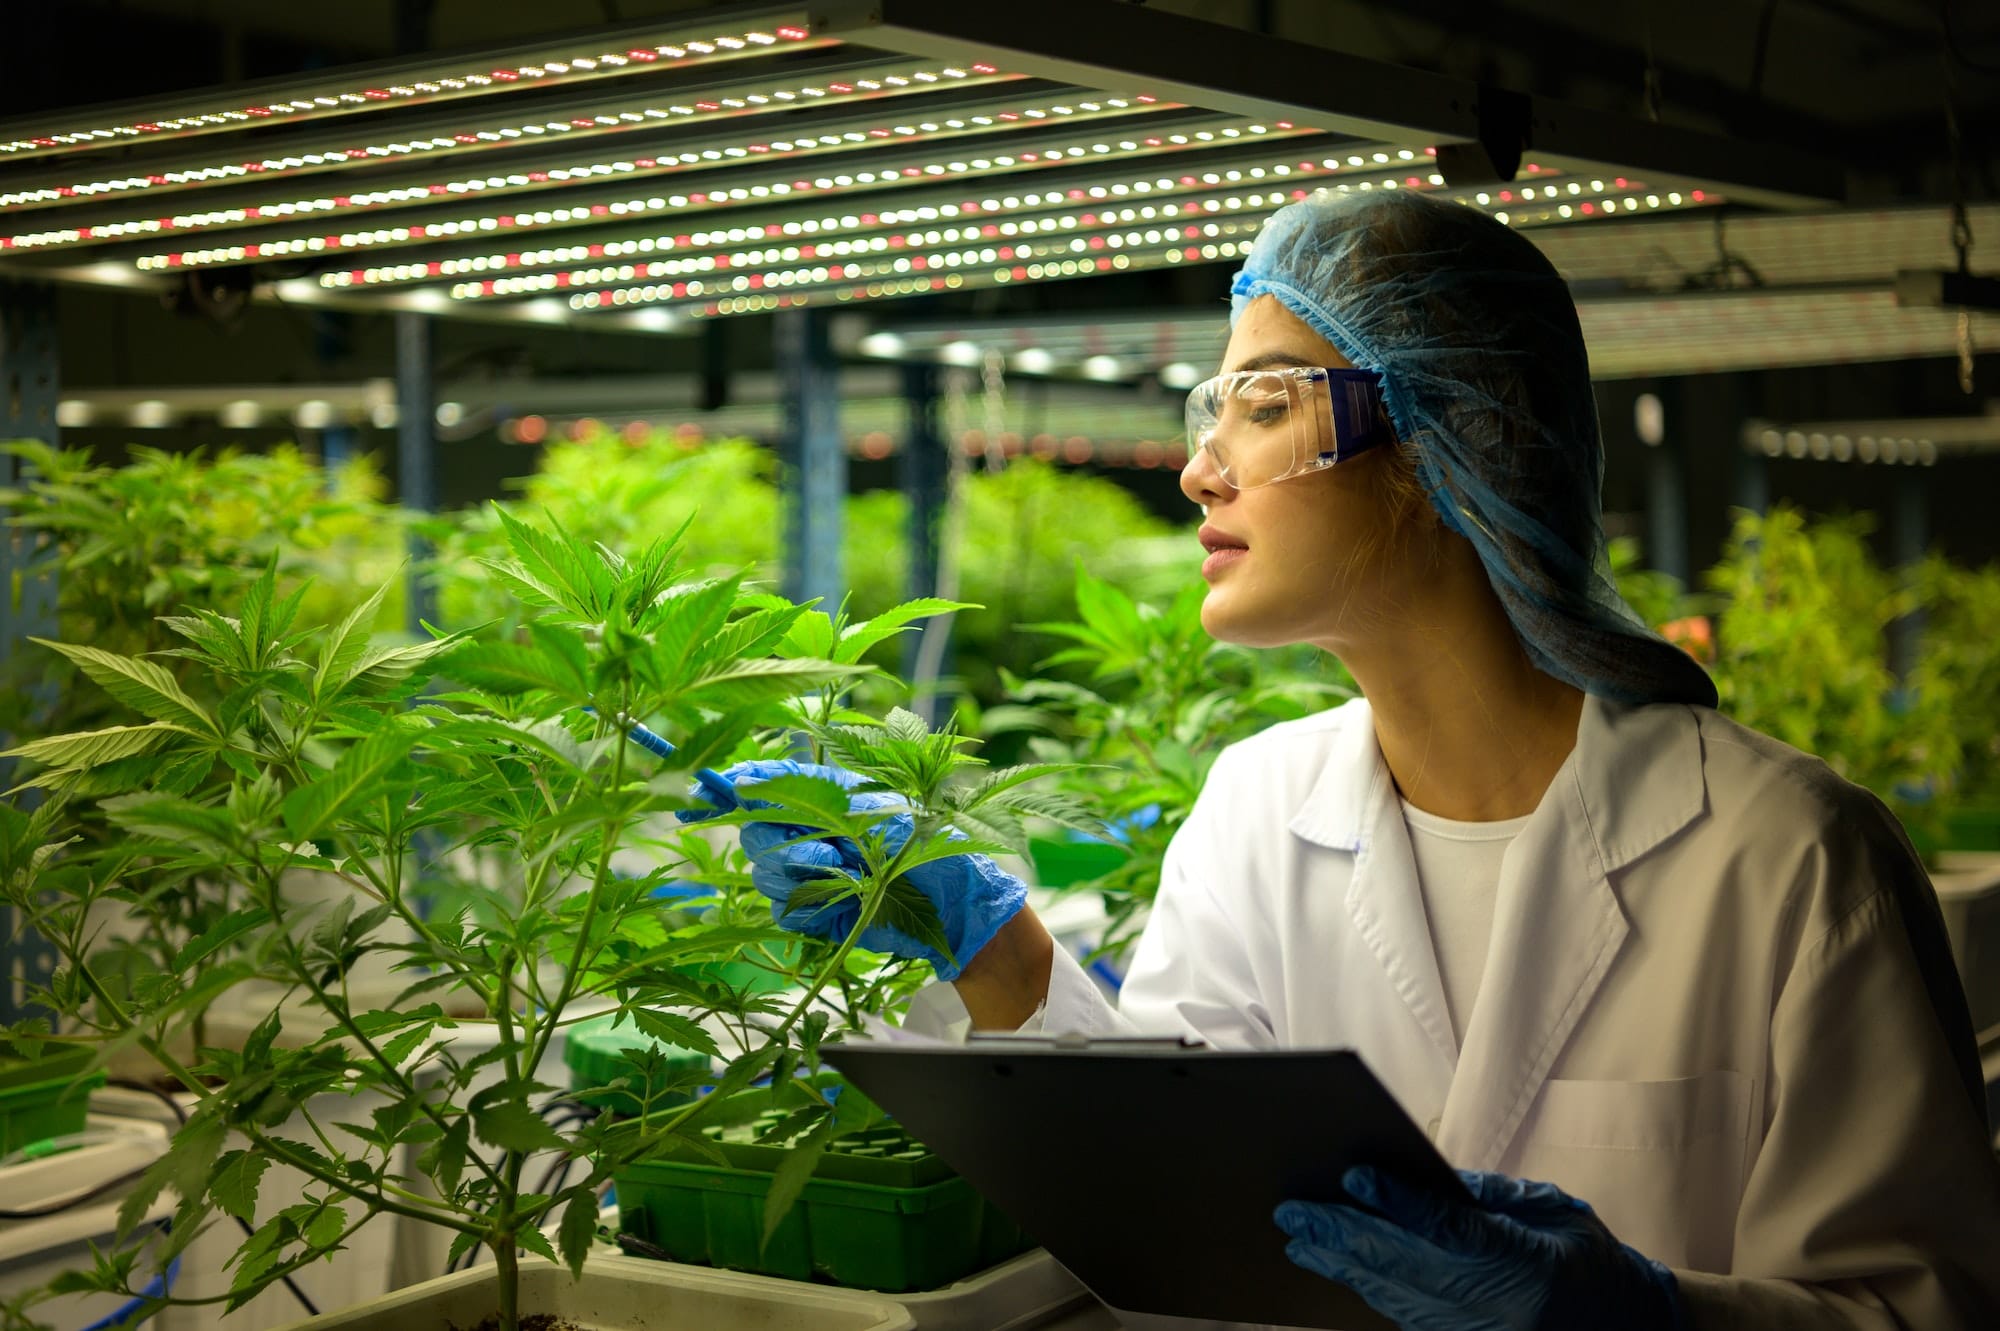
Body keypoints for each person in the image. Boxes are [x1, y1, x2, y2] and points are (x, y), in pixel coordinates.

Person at [712, 190, 2000, 1330]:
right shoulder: (1259, 807)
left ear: (1450, 444)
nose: (1198, 471)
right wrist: (998, 953)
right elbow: (1178, 1202)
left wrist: (1645, 1318)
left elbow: (1922, 1304)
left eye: (1262, 406)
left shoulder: (1790, 856)